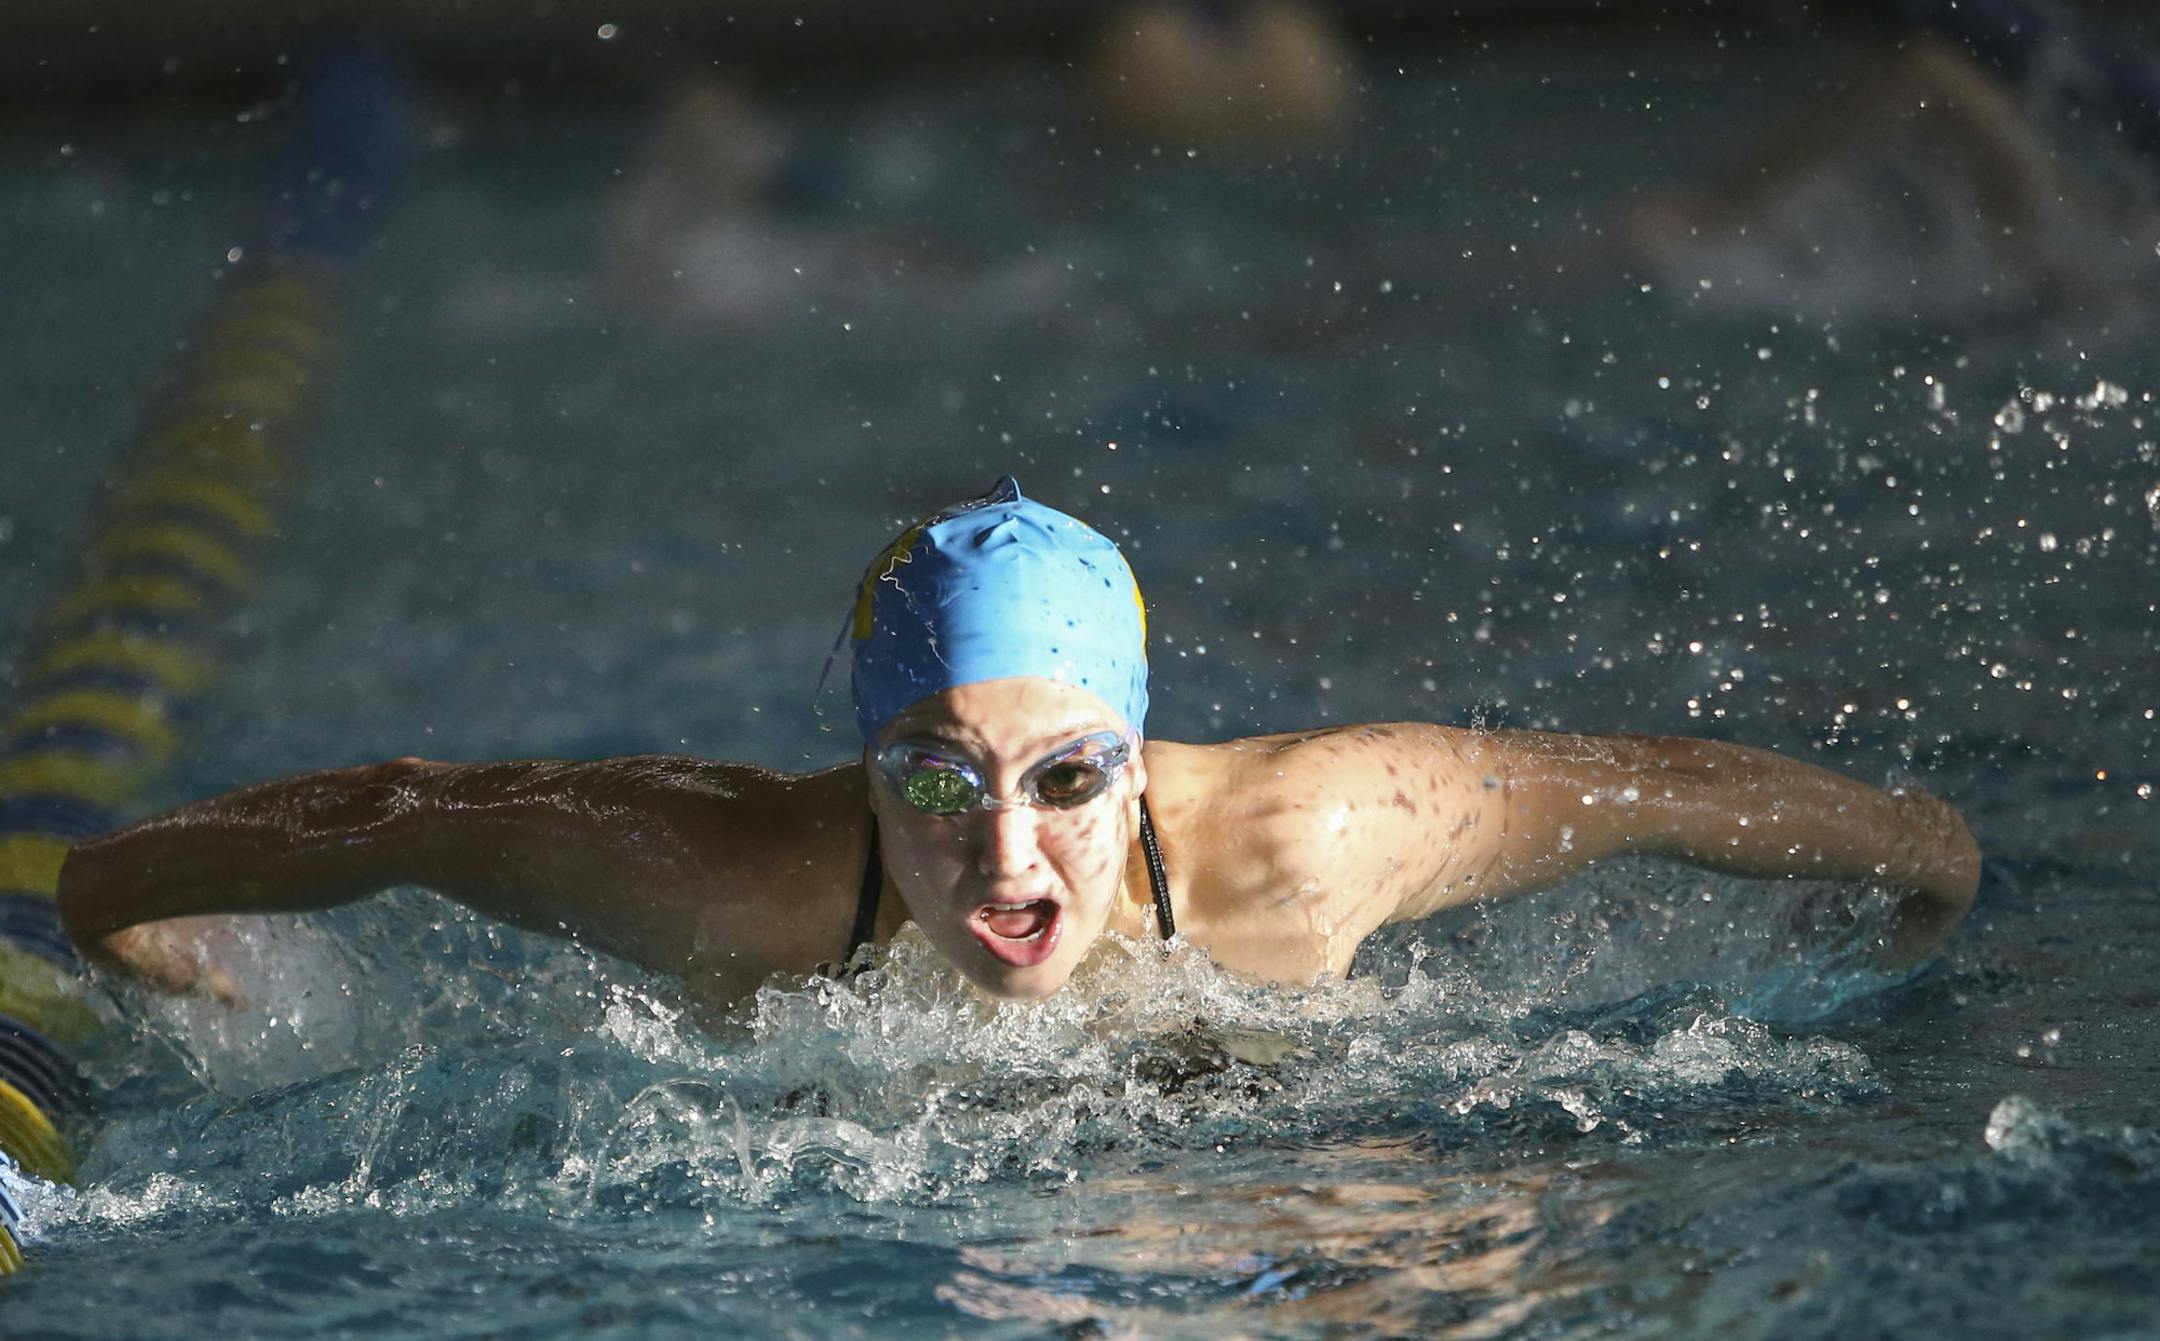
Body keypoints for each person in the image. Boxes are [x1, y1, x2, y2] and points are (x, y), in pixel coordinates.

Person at [56, 478, 1980, 1014]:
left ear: (1137, 760)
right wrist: (127, 917)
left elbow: (1636, 784)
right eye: (931, 778)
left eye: (1066, 776)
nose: (1005, 860)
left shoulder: (1308, 841)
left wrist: (1917, 854)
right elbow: (402, 816)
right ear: (858, 764)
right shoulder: (731, 881)